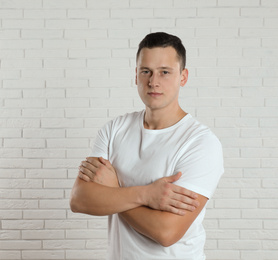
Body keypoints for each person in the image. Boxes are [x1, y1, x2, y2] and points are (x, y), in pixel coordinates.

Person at [69, 32, 224, 260]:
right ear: (136, 76)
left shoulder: (200, 143)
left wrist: (114, 190)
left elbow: (167, 232)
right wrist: (146, 195)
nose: (154, 81)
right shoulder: (114, 130)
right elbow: (80, 199)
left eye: (164, 72)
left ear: (183, 77)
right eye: (146, 71)